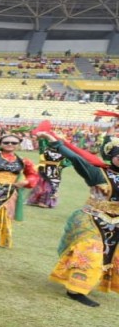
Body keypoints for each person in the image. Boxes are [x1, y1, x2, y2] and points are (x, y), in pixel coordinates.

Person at [41, 130, 119, 307]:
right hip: (93, 218)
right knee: (90, 251)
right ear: (112, 156)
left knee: (109, 257)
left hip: (116, 224)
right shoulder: (98, 173)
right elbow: (77, 160)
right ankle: (75, 290)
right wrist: (56, 143)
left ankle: (86, 283)